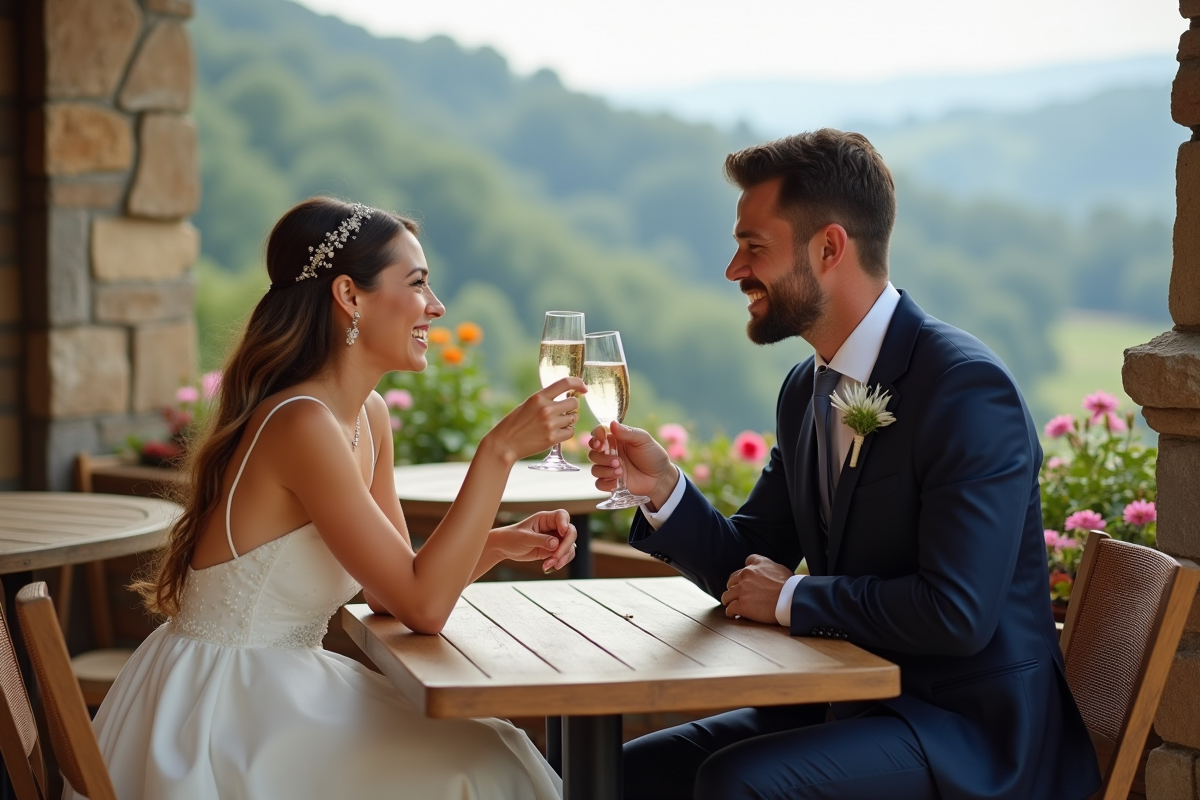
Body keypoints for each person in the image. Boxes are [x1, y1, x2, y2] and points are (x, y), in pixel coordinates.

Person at [587, 130, 1101, 800]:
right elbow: (748, 565)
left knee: (734, 784)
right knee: (625, 774)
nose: (734, 269)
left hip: (968, 737)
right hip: (852, 709)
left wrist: (796, 598)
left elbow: (957, 612)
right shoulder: (806, 391)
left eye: (753, 247)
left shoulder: (968, 391)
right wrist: (665, 492)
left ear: (829, 248)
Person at [79, 197, 577, 800]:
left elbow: (390, 592)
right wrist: (498, 451)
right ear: (350, 297)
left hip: (278, 686)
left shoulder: (366, 417)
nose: (437, 307)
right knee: (481, 763)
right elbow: (421, 605)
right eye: (417, 284)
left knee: (493, 746)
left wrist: (496, 543)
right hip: (224, 708)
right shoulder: (302, 425)